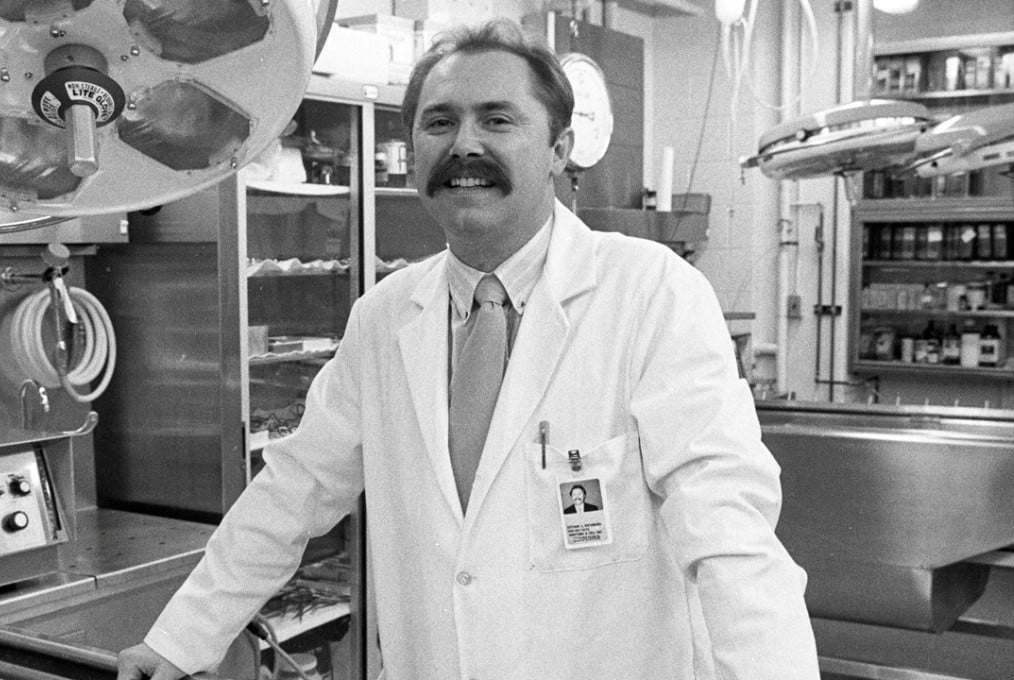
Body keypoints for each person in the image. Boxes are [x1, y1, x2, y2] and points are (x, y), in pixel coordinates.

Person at [118, 18, 820, 680]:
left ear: (559, 149)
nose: (464, 145)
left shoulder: (652, 293)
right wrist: (180, 640)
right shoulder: (384, 318)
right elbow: (291, 494)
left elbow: (727, 530)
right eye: (439, 122)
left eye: (498, 120)